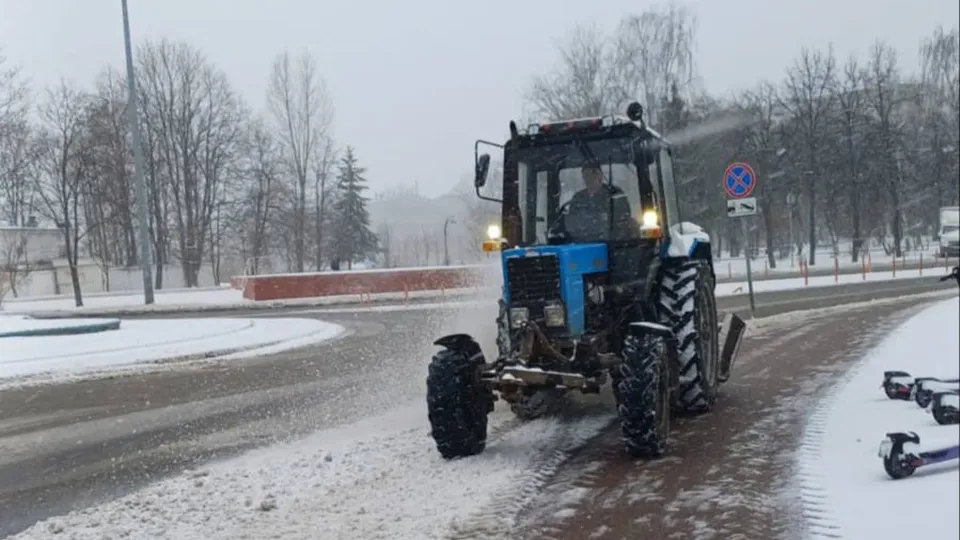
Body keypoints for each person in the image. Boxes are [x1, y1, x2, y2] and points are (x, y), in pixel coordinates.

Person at [561, 163, 635, 241]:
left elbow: (623, 218)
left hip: (612, 242)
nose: (588, 179)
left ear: (600, 175)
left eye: (592, 174)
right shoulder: (578, 198)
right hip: (582, 242)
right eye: (585, 176)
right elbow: (572, 222)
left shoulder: (614, 193)